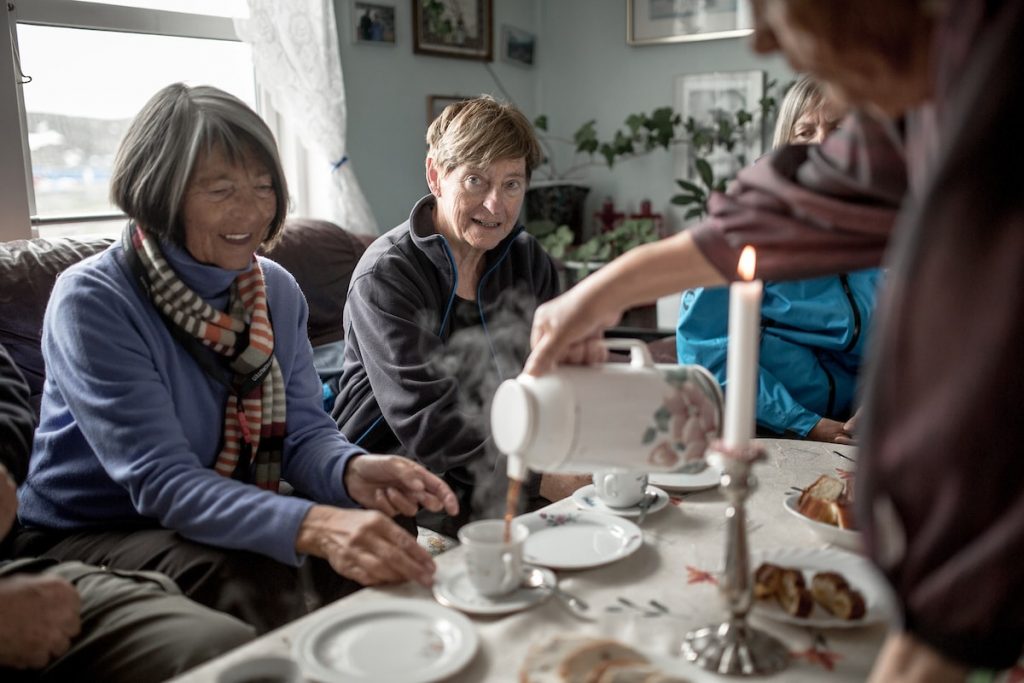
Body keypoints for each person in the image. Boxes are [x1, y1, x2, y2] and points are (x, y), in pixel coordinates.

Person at [526, 1, 1024, 680]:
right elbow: (759, 226)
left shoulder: (992, 75)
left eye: (773, 5)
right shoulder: (914, 106)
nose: (761, 38)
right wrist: (595, 295)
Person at [15, 83, 458, 635]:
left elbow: (302, 431)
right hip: (97, 526)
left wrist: (352, 469)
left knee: (382, 532)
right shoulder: (94, 300)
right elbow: (162, 482)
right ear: (160, 191)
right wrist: (316, 525)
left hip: (230, 493)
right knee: (263, 578)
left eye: (263, 186)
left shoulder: (275, 290)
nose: (249, 210)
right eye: (221, 189)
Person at [331, 95, 585, 538]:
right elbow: (429, 422)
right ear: (435, 175)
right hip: (396, 463)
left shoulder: (527, 259)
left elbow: (555, 374)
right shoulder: (387, 276)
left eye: (512, 185)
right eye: (475, 181)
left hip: (502, 453)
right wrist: (541, 478)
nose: (495, 206)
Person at [0, 343, 255, 681]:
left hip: (12, 565)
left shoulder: (276, 295)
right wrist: (307, 525)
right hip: (73, 523)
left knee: (217, 649)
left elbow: (8, 407)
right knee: (231, 565)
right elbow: (158, 474)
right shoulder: (86, 302)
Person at [676, 75, 881, 443]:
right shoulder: (749, 221)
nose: (821, 144)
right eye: (805, 132)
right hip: (763, 429)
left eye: (838, 128)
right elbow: (703, 347)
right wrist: (808, 424)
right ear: (787, 143)